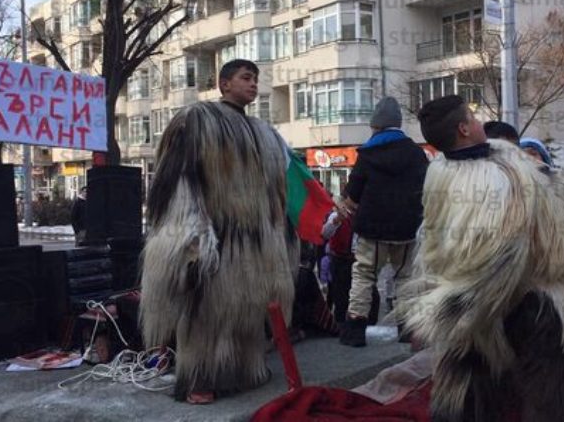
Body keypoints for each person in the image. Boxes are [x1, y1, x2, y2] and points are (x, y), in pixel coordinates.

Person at [403, 95, 564, 421]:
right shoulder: (489, 181)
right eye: (474, 116)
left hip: (485, 297)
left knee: (471, 370)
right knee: (551, 377)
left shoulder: (451, 169)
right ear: (465, 128)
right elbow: (501, 250)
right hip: (529, 294)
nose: (481, 121)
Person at [140, 59, 298, 403]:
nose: (253, 85)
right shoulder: (199, 120)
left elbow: (276, 194)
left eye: (256, 79)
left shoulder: (266, 134)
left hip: (255, 244)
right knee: (207, 316)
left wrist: (281, 236)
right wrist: (191, 234)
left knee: (247, 314)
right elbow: (180, 179)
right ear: (224, 84)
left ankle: (243, 373)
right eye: (245, 78)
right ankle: (200, 381)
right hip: (218, 237)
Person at [337, 97, 429, 347]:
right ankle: (407, 328)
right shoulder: (416, 152)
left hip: (372, 229)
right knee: (405, 277)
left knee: (364, 275)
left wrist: (349, 203)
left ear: (376, 126)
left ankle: (355, 329)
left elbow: (354, 193)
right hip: (408, 228)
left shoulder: (367, 153)